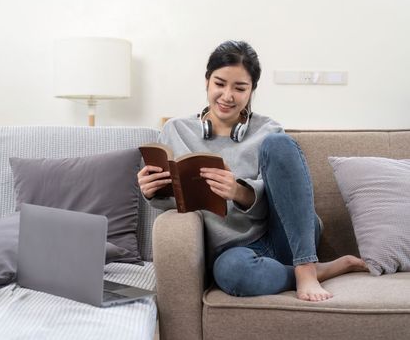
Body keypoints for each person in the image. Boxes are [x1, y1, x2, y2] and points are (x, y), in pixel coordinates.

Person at [137, 40, 368, 302]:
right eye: (220, 83)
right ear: (207, 81)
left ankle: (306, 269)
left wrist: (237, 191)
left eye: (240, 88)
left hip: (284, 237)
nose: (227, 96)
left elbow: (285, 196)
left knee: (281, 144)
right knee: (233, 274)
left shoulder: (268, 130)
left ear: (252, 90)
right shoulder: (175, 130)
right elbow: (176, 198)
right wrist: (151, 191)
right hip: (232, 252)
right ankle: (322, 270)